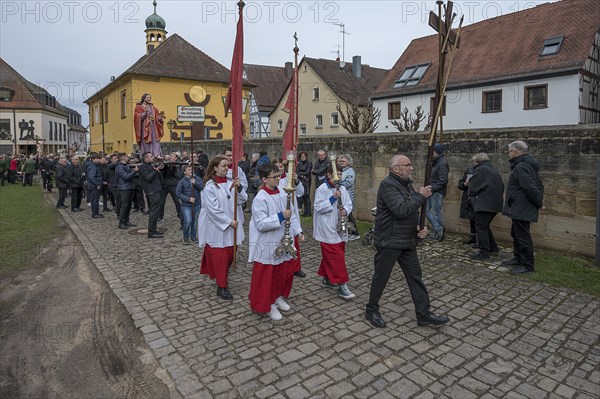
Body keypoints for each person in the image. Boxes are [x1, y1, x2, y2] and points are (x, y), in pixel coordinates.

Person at [365, 154, 449, 328]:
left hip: (407, 241)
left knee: (415, 277)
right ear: (396, 168)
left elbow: (411, 212)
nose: (411, 168)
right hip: (389, 241)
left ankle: (423, 314)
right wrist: (422, 196)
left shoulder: (406, 185)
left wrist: (420, 226)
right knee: (381, 277)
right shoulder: (388, 185)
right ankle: (371, 309)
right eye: (407, 165)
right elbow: (401, 209)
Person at [248, 163, 303, 321]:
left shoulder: (282, 193)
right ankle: (267, 303)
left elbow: (292, 215)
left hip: (282, 240)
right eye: (275, 177)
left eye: (279, 176)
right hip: (267, 243)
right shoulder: (260, 198)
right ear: (265, 179)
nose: (279, 179)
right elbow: (261, 223)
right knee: (268, 276)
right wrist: (280, 216)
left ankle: (278, 297)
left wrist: (298, 231)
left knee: (282, 273)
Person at [198, 155, 247, 301]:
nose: (227, 168)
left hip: (234, 225)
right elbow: (213, 210)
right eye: (223, 166)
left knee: (231, 254)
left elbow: (243, 200)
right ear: (215, 168)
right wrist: (228, 221)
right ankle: (222, 286)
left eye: (228, 166)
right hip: (218, 228)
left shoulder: (232, 182)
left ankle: (223, 279)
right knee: (220, 257)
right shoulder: (210, 186)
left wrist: (239, 188)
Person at [313, 166, 356, 299]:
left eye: (340, 174)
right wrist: (332, 198)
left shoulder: (342, 188)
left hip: (339, 225)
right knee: (336, 256)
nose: (338, 176)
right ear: (328, 175)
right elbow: (318, 207)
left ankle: (327, 278)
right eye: (336, 174)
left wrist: (346, 210)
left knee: (337, 252)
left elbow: (349, 203)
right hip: (326, 227)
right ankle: (342, 283)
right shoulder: (322, 189)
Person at [502, 141, 544, 275]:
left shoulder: (522, 166)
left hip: (522, 207)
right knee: (516, 233)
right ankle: (518, 258)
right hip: (519, 206)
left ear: (515, 151)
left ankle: (527, 265)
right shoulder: (526, 165)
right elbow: (539, 185)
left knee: (523, 236)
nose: (508, 154)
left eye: (509, 151)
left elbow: (531, 187)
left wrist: (539, 202)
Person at [467, 153, 504, 260]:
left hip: (484, 203)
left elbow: (473, 189)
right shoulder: (494, 169)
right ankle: (493, 248)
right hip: (495, 203)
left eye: (473, 162)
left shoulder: (480, 169)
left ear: (476, 162)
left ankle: (484, 253)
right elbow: (502, 186)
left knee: (480, 227)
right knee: (484, 226)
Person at [274, 158, 306, 279]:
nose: (279, 169)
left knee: (294, 243)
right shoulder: (274, 181)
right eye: (277, 167)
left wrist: (296, 181)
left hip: (292, 215)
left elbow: (301, 192)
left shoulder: (290, 177)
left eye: (281, 167)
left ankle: (296, 267)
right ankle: (284, 266)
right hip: (282, 216)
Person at [138, 152, 164, 238]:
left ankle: (154, 229)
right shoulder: (142, 167)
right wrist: (155, 170)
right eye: (151, 156)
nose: (153, 157)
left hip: (157, 190)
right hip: (152, 191)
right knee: (153, 212)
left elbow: (159, 178)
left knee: (156, 211)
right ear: (146, 159)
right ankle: (151, 232)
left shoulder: (151, 166)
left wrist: (158, 170)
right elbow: (148, 178)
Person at [176, 164, 204, 244]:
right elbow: (178, 193)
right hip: (186, 205)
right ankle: (186, 237)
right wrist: (188, 199)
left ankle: (193, 237)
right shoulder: (181, 181)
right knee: (188, 221)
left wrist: (195, 183)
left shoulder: (197, 178)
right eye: (188, 170)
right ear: (184, 172)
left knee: (194, 221)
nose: (191, 171)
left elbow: (202, 188)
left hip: (197, 204)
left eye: (192, 169)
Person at [426, 143, 449, 240]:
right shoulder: (435, 161)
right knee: (425, 211)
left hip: (437, 191)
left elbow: (443, 180)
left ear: (437, 152)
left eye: (433, 151)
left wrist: (432, 188)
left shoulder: (442, 163)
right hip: (430, 189)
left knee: (436, 212)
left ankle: (439, 232)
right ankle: (438, 228)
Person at [338, 154, 360, 240]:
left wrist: (339, 184)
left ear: (348, 162)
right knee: (344, 215)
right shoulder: (341, 170)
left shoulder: (350, 171)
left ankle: (355, 233)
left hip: (348, 196)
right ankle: (346, 231)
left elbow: (349, 183)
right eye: (340, 161)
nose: (341, 163)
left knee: (349, 214)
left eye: (343, 161)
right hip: (342, 196)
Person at [115, 153, 138, 230]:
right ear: (124, 158)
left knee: (128, 206)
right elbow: (125, 177)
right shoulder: (119, 167)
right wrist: (134, 171)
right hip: (124, 188)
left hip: (129, 187)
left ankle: (126, 221)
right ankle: (121, 222)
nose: (128, 158)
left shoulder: (126, 166)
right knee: (124, 206)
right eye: (127, 157)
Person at [457, 163, 477, 245]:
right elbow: (460, 184)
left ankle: (479, 239)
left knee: (479, 220)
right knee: (471, 217)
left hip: (478, 197)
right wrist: (465, 184)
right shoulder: (469, 170)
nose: (474, 163)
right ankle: (473, 236)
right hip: (468, 197)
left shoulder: (484, 171)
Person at [86, 154, 104, 219]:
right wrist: (97, 184)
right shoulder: (92, 166)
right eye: (98, 159)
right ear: (93, 159)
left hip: (93, 185)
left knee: (95, 200)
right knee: (95, 200)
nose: (99, 160)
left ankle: (96, 213)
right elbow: (91, 177)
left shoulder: (93, 165)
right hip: (94, 186)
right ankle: (95, 213)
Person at [296, 151, 312, 216]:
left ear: (306, 157)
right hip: (301, 180)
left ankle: (309, 212)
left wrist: (300, 173)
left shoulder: (309, 163)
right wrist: (301, 175)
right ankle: (305, 211)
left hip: (307, 181)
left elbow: (307, 172)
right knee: (302, 196)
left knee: (307, 196)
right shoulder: (299, 163)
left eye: (304, 156)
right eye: (302, 156)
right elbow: (297, 172)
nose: (303, 157)